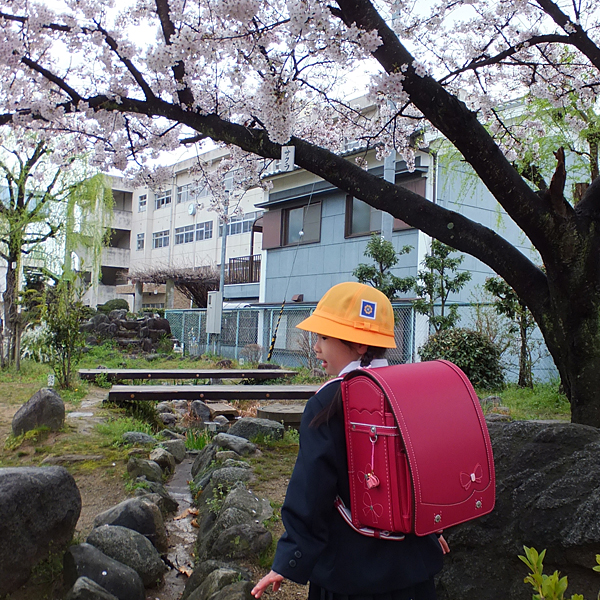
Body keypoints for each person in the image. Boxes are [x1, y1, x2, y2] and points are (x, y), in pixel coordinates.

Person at [252, 282, 449, 600]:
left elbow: (312, 490)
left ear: (360, 345)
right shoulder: (410, 389)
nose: (316, 347)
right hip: (412, 566)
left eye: (324, 337)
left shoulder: (330, 401)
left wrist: (290, 559)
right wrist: (433, 527)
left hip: (349, 571)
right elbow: (427, 466)